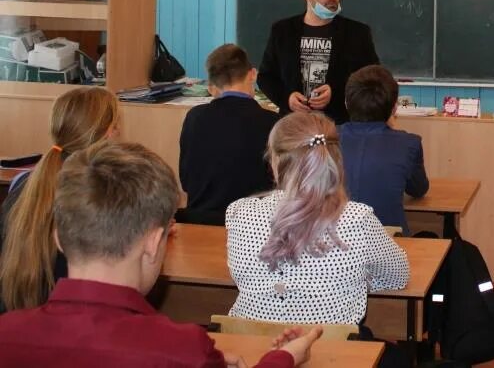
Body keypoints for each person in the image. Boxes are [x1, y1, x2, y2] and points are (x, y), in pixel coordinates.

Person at [0, 141, 322, 367]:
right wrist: (284, 358)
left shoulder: (7, 336)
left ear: (58, 237)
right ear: (155, 241)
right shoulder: (182, 350)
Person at [226, 111, 409, 325]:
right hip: (331, 350)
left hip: (251, 350)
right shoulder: (358, 220)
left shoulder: (239, 213)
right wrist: (360, 279)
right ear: (335, 159)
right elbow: (398, 277)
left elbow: (240, 276)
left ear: (275, 161)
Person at [0, 87, 120, 312]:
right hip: (71, 320)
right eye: (115, 126)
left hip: (14, 316)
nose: (118, 132)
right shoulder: (100, 194)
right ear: (105, 134)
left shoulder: (23, 182)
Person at [258, 0, 379, 124]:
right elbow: (266, 77)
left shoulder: (357, 33)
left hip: (339, 125)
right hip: (293, 125)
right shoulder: (283, 31)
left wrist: (336, 92)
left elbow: (372, 78)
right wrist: (286, 98)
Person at [179, 44, 278, 225]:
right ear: (253, 74)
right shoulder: (274, 124)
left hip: (200, 223)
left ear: (212, 86)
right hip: (254, 227)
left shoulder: (194, 118)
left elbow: (186, 180)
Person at [339, 65, 429, 234]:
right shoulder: (409, 144)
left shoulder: (327, 139)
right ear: (395, 107)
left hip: (334, 245)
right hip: (390, 242)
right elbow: (418, 189)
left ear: (346, 103)